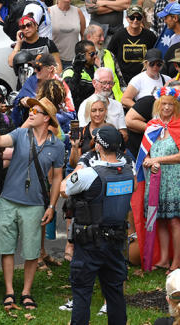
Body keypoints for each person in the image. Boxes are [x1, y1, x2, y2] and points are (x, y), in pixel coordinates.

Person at [0, 97, 65, 311]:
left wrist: (51, 206)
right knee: (7, 248)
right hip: (8, 200)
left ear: (46, 118)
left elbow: (57, 178)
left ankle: (26, 292)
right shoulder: (21, 134)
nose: (30, 113)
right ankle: (9, 292)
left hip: (35, 204)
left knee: (31, 252)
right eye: (30, 109)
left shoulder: (57, 145)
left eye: (36, 111)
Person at [62, 126, 133, 325]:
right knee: (115, 292)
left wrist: (80, 166)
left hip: (90, 243)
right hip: (116, 242)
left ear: (99, 146)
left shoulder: (90, 174)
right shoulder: (128, 173)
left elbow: (63, 189)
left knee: (82, 293)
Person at [139, 90, 180, 271]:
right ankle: (163, 259)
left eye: (171, 104)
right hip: (154, 179)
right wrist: (148, 161)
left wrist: (157, 160)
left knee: (173, 221)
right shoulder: (152, 126)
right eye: (164, 104)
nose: (167, 107)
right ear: (158, 105)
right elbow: (145, 154)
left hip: (174, 180)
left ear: (176, 106)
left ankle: (177, 261)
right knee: (160, 220)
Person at [109, 6, 157, 83]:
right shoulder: (118, 35)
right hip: (123, 79)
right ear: (127, 18)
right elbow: (110, 55)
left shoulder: (150, 36)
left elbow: (155, 56)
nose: (135, 20)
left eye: (138, 18)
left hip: (144, 78)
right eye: (132, 17)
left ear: (142, 18)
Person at [76, 68, 128, 133]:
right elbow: (84, 133)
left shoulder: (117, 105)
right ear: (94, 83)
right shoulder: (85, 105)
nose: (108, 86)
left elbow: (124, 133)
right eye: (104, 83)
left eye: (111, 83)